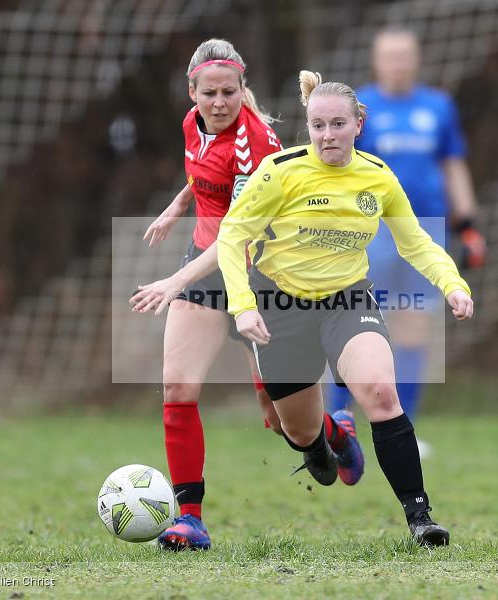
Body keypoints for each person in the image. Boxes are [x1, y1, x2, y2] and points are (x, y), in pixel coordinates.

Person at [216, 70, 474, 546]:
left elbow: (414, 241)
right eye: (318, 126)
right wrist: (243, 305)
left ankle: (420, 518)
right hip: (280, 306)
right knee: (295, 430)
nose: (328, 135)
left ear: (359, 122)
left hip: (347, 299)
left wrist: (451, 283)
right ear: (308, 126)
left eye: (338, 124)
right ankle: (325, 442)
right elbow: (232, 235)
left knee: (380, 391)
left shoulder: (377, 176)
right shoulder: (280, 171)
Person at [129, 40, 364, 551]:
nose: (219, 102)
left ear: (242, 90)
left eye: (229, 93)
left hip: (260, 280)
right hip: (205, 268)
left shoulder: (257, 145)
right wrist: (176, 206)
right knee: (177, 388)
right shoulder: (194, 124)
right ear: (192, 93)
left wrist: (175, 281)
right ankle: (189, 518)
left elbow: (237, 236)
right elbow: (202, 171)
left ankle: (333, 434)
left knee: (282, 423)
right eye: (208, 93)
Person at [327, 28, 486, 459]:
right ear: (376, 62)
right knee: (350, 321)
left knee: (414, 326)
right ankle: (334, 424)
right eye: (389, 56)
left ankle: (403, 428)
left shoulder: (438, 106)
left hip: (425, 229)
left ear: (416, 60)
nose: (397, 63)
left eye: (404, 56)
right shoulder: (358, 107)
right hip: (369, 230)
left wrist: (467, 222)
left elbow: (453, 164)